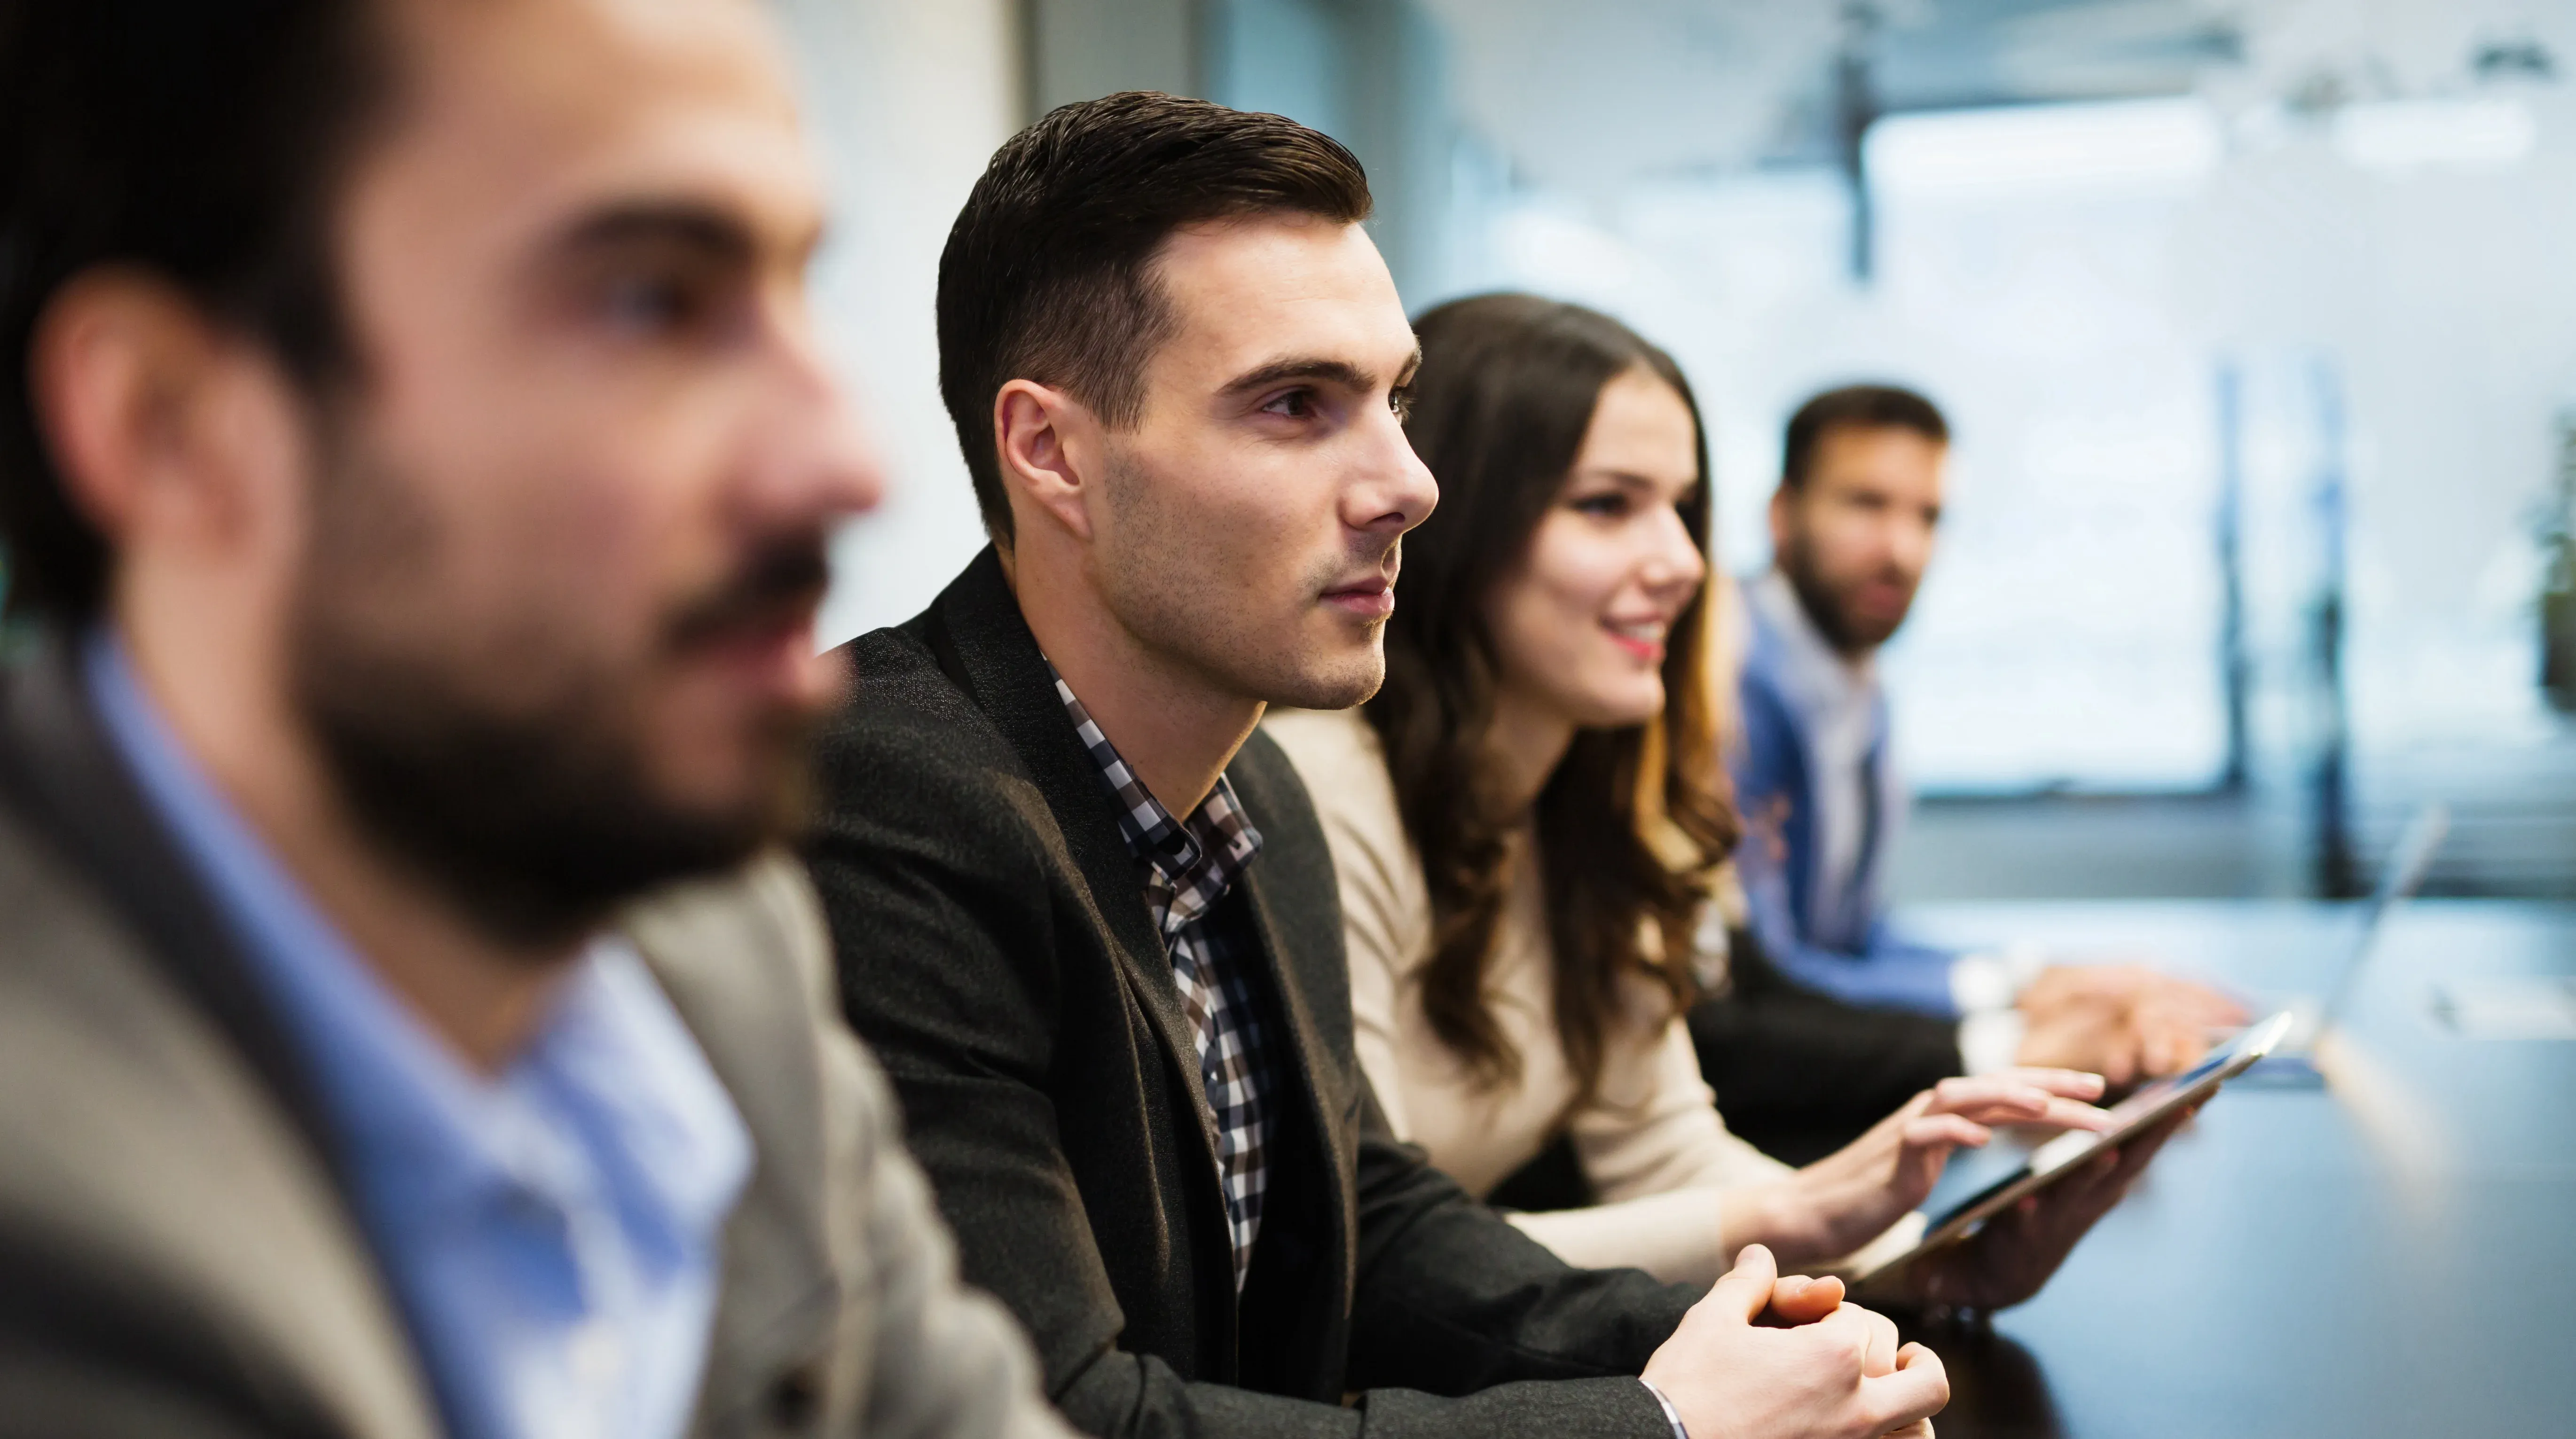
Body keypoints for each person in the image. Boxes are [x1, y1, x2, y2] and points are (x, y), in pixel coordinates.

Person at [805, 94, 1951, 1439]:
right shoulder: (887, 796)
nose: (1409, 482)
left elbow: (1370, 1219)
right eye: (1297, 404)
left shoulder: (1254, 793)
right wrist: (1658, 1423)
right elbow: (1057, 1412)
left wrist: (1757, 1338)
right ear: (1052, 451)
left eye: (1395, 400)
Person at [0, 2, 1072, 1436]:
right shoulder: (60, 1244)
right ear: (169, 427)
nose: (844, 459)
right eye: (647, 303)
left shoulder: (714, 943)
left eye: (797, 289)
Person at [1264, 291, 2171, 1294]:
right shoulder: (1325, 789)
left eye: (1682, 511)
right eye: (1608, 505)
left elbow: (1667, 1158)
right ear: (1459, 523)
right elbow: (1376, 1259)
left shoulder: (1591, 812)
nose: (1683, 564)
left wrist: (1923, 1265)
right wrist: (1806, 1218)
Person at [1736, 384, 2245, 1087]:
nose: (1902, 549)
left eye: (1929, 516)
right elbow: (1765, 978)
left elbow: (1849, 939)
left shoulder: (1851, 677)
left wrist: (2027, 983)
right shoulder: (1731, 679)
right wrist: (2009, 1034)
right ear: (1781, 515)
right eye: (1866, 504)